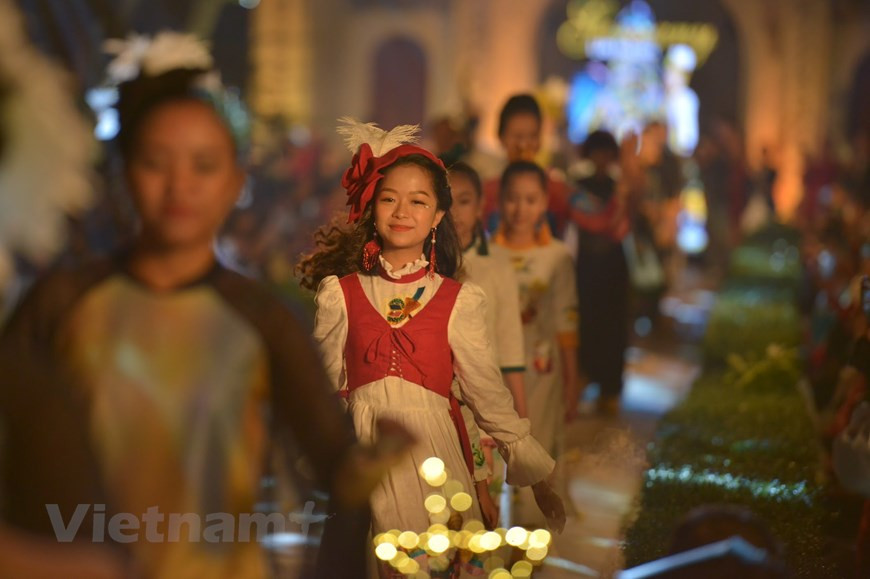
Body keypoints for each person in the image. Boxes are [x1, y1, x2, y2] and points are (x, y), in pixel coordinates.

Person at [0, 34, 407, 579]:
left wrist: (371, 463)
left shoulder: (260, 319)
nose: (180, 186)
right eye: (156, 163)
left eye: (203, 165)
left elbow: (331, 462)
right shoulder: (62, 304)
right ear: (124, 175)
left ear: (234, 183)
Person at [298, 119, 565, 576]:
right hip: (367, 469)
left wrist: (538, 479)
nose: (402, 211)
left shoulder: (459, 301)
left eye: (418, 201)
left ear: (439, 216)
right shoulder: (339, 294)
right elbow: (318, 397)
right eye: (389, 199)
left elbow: (485, 397)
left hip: (437, 468)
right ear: (372, 208)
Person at [491, 160, 583, 526]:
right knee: (494, 452)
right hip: (493, 370)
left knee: (537, 446)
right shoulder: (482, 254)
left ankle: (530, 542)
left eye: (530, 199)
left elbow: (566, 317)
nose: (520, 209)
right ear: (499, 201)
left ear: (545, 202)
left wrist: (572, 379)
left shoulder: (557, 256)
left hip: (542, 371)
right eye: (513, 198)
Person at [448, 161, 527, 526]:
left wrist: (520, 429)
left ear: (481, 206)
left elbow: (510, 352)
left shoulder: (497, 266)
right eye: (444, 201)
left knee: (481, 523)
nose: (454, 213)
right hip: (439, 412)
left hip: (483, 416)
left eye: (464, 201)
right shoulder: (419, 263)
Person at [567, 130, 631, 415]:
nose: (602, 158)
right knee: (586, 324)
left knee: (614, 328)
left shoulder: (622, 187)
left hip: (614, 266)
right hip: (588, 266)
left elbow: (624, 223)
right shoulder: (578, 187)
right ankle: (583, 380)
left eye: (607, 152)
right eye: (597, 151)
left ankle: (609, 389)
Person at [478, 94, 572, 237]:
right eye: (517, 136)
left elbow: (600, 221)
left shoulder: (557, 190)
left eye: (532, 136)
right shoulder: (485, 193)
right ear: (501, 137)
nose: (523, 145)